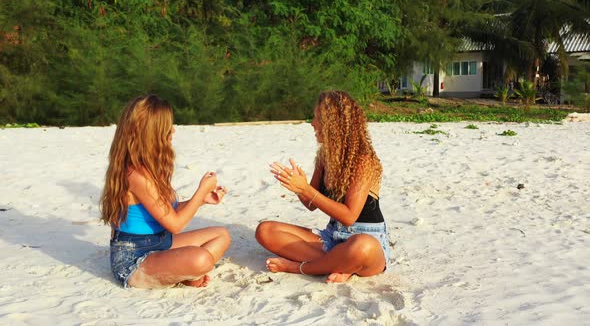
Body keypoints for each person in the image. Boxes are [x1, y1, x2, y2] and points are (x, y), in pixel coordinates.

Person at [256, 90, 391, 283]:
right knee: (265, 230)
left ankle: (301, 267)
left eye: (317, 118)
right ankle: (344, 265)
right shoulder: (325, 157)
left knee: (361, 246)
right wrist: (297, 186)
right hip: (332, 237)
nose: (312, 123)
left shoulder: (364, 160)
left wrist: (305, 189)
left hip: (367, 240)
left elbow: (349, 216)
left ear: (333, 124)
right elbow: (311, 204)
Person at [100, 95, 231, 289]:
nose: (173, 130)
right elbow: (176, 224)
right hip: (134, 258)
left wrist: (202, 200)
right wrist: (200, 190)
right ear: (153, 133)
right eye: (168, 126)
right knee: (201, 259)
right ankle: (183, 273)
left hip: (160, 242)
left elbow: (169, 212)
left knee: (222, 235)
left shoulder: (149, 167)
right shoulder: (136, 175)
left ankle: (181, 273)